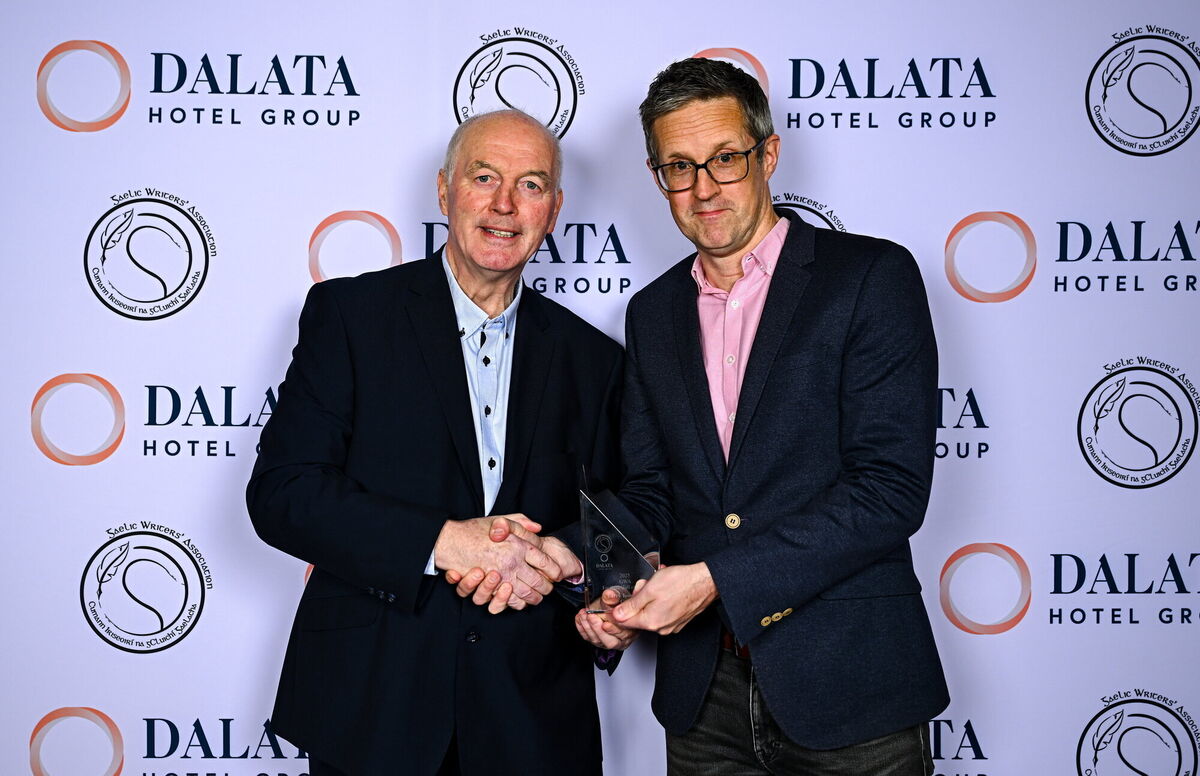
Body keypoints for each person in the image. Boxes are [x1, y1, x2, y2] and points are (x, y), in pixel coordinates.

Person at [474, 57, 949, 774]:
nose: (703, 188)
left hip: (851, 684)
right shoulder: (653, 312)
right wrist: (575, 559)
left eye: (725, 159)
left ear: (768, 154)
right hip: (705, 698)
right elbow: (653, 493)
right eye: (679, 167)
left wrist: (714, 580)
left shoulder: (869, 278)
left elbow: (889, 491)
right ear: (657, 175)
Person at [247, 109, 622, 776]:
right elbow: (284, 493)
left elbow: (622, 513)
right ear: (445, 191)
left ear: (555, 210)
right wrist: (447, 542)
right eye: (484, 177)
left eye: (531, 185)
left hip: (532, 720)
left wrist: (576, 569)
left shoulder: (595, 359)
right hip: (375, 708)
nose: (505, 204)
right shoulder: (351, 317)